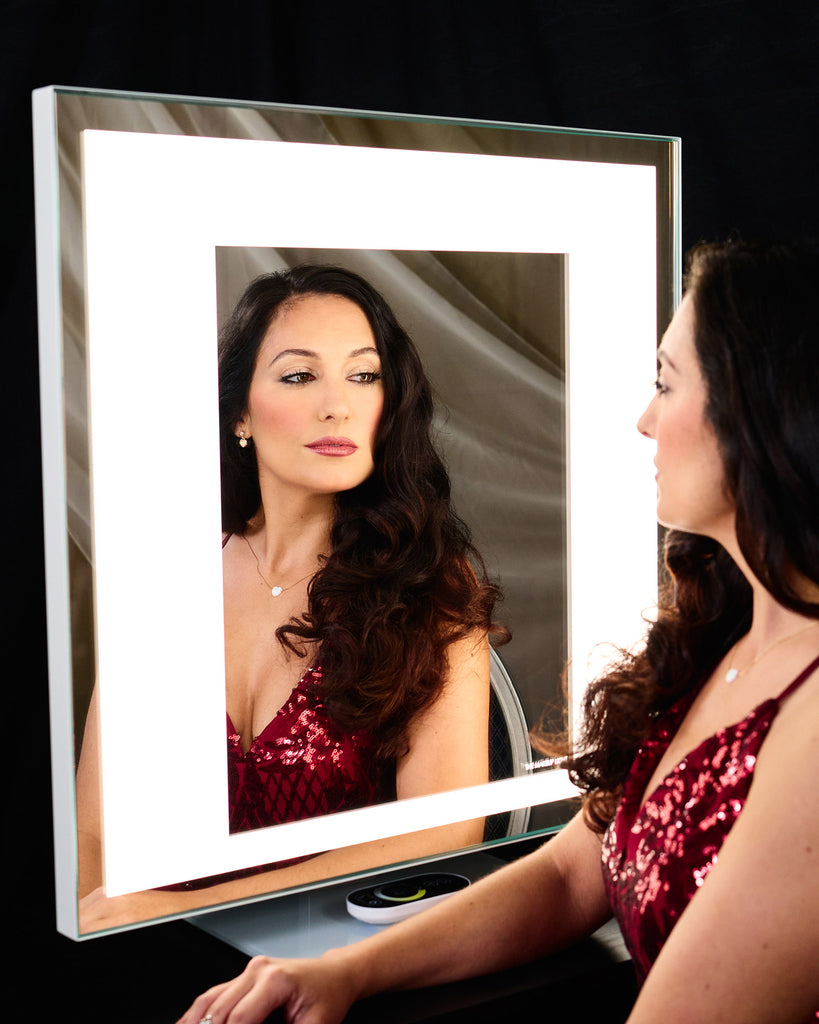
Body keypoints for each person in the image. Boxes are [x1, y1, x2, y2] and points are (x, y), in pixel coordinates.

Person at [177, 238, 819, 1024]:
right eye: (299, 374)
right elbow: (566, 878)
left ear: (762, 410)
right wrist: (344, 973)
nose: (643, 419)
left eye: (664, 383)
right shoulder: (715, 637)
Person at [76, 264, 506, 930]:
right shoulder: (160, 579)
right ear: (241, 411)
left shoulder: (431, 589)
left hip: (332, 960)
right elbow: (96, 832)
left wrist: (184, 906)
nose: (336, 404)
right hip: (151, 949)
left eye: (363, 376)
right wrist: (101, 938)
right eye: (299, 376)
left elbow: (444, 833)